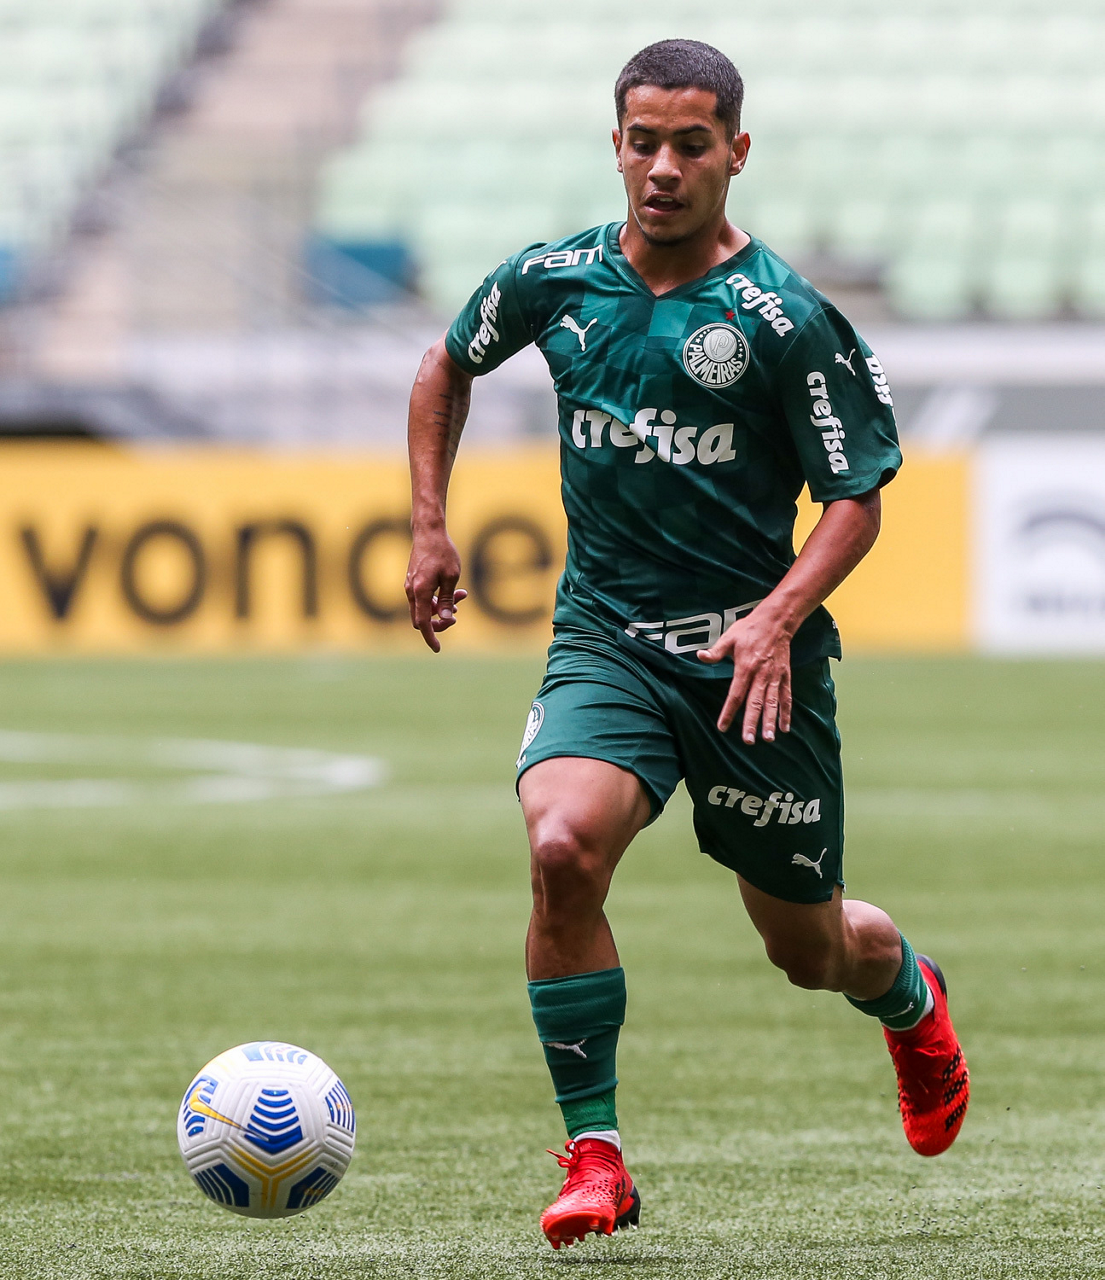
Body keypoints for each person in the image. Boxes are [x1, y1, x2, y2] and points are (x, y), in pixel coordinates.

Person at [405, 38, 969, 1252]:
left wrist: (775, 615)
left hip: (752, 669)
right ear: (615, 145)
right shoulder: (553, 279)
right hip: (606, 640)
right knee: (561, 845)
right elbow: (447, 361)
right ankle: (595, 1154)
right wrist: (429, 521)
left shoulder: (786, 319)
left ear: (736, 153)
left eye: (691, 145)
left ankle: (907, 994)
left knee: (809, 948)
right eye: (643, 141)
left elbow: (856, 498)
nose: (663, 167)